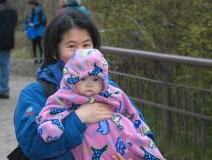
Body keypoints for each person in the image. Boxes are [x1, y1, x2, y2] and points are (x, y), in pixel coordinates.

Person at [14, 11, 154, 160]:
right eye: (72, 46)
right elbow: (32, 145)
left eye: (86, 45)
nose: (81, 53)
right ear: (55, 52)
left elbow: (142, 132)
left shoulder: (109, 89)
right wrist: (78, 118)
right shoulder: (36, 94)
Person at [35, 49, 165, 160]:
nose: (90, 84)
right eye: (83, 79)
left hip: (131, 140)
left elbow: (132, 113)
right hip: (91, 148)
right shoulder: (65, 96)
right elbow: (50, 111)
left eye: (95, 79)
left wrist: (143, 132)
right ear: (72, 79)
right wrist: (51, 128)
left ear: (103, 79)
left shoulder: (113, 93)